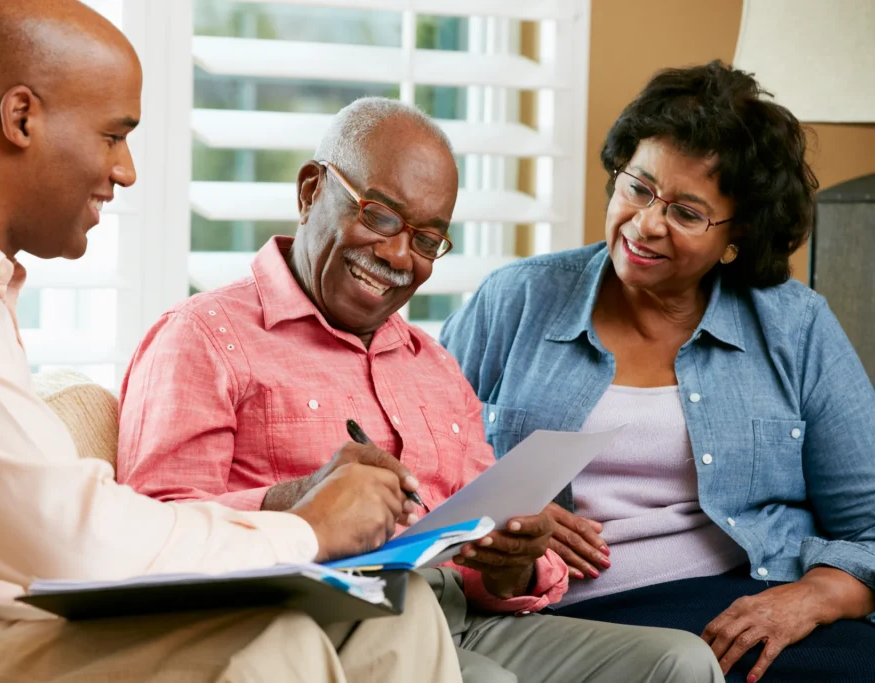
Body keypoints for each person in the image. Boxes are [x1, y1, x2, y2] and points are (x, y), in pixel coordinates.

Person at [0, 2, 465, 681]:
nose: (127, 171)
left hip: (10, 608)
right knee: (272, 643)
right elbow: (72, 536)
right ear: (21, 117)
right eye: (114, 135)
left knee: (393, 612)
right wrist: (310, 528)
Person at [117, 96, 725, 683]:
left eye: (428, 239)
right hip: (323, 625)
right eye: (379, 216)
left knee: (682, 663)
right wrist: (295, 499)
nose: (398, 255)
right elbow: (149, 535)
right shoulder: (203, 338)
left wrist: (515, 555)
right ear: (310, 192)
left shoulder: (432, 363)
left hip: (462, 615)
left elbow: (496, 569)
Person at [441, 61, 875, 683]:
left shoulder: (794, 326)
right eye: (637, 188)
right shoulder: (518, 299)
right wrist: (506, 518)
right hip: (557, 612)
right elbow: (419, 460)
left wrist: (816, 596)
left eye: (687, 212)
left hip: (744, 594)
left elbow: (870, 524)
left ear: (737, 235)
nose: (646, 224)